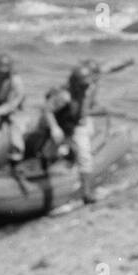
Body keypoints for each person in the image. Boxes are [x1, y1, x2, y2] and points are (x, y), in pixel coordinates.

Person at [30, 60, 102, 203]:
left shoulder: (86, 90)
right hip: (61, 127)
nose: (86, 87)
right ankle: (45, 171)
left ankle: (87, 193)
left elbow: (84, 106)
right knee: (49, 153)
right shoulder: (64, 96)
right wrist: (55, 128)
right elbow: (47, 110)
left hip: (75, 127)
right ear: (76, 83)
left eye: (88, 84)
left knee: (85, 156)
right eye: (83, 84)